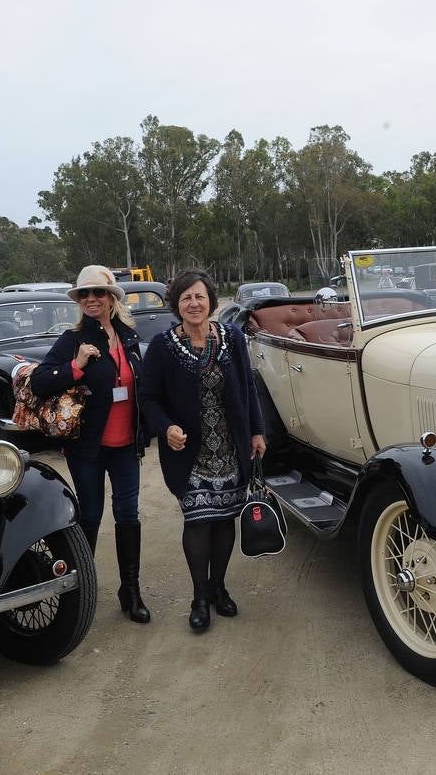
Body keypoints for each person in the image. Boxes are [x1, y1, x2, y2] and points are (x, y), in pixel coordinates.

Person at [138, 270, 266, 633]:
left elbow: (248, 386)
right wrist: (166, 427)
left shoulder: (232, 337)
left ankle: (218, 588)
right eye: (186, 298)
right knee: (197, 521)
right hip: (189, 453)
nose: (194, 304)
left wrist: (257, 430)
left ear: (210, 300)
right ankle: (198, 598)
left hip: (230, 447)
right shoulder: (163, 346)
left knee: (225, 520)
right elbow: (148, 397)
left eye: (200, 296)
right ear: (176, 305)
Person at [29, 265, 150, 624]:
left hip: (126, 444)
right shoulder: (73, 339)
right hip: (88, 449)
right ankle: (80, 592)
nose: (92, 299)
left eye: (99, 292)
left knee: (128, 515)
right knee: (91, 515)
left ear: (112, 298)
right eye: (85, 294)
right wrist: (76, 365)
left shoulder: (128, 336)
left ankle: (130, 591)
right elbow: (39, 382)